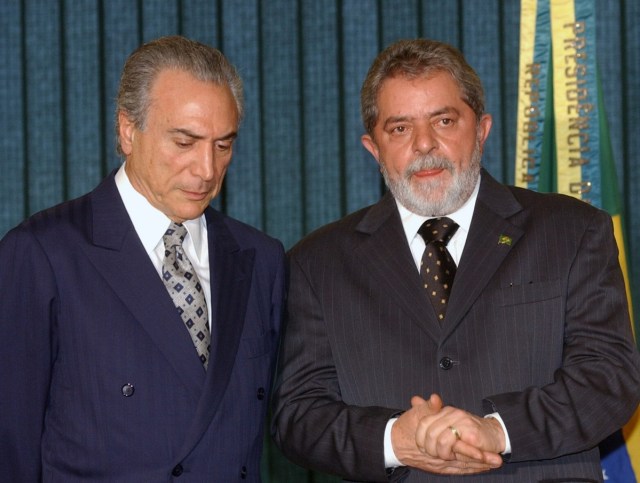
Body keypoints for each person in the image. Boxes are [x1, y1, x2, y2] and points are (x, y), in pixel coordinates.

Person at [271, 38, 640, 482]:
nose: (425, 144)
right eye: (400, 129)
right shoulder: (317, 264)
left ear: (481, 128)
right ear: (373, 148)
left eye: (444, 120)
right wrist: (393, 440)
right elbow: (297, 415)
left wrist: (497, 431)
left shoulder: (572, 232)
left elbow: (609, 379)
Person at [0, 35, 285, 482]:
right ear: (128, 130)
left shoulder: (261, 259)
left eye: (223, 145)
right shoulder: (43, 254)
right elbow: (10, 446)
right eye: (185, 142)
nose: (207, 170)